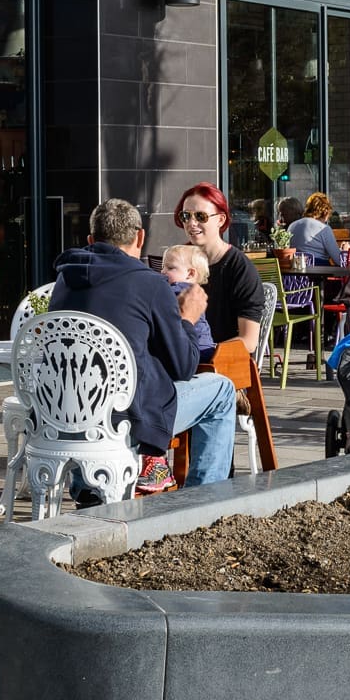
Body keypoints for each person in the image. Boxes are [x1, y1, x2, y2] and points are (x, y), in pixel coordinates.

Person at [51, 198, 236, 497]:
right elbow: (184, 366)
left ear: (90, 241)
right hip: (128, 417)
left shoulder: (64, 279)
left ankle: (89, 487)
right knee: (222, 391)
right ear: (140, 237)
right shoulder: (150, 285)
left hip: (68, 414)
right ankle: (202, 501)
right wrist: (187, 319)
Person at [176, 183, 265, 357]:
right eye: (186, 216)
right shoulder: (179, 259)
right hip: (183, 360)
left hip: (221, 366)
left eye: (200, 216)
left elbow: (249, 341)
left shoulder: (240, 268)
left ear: (221, 220)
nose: (191, 223)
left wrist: (204, 353)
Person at [159, 243, 216, 361]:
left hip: (195, 348)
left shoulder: (179, 290)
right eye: (163, 267)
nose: (163, 271)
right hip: (205, 346)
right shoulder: (195, 292)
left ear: (190, 273)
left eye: (170, 268)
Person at [288, 191, 344, 266]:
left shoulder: (292, 225)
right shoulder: (323, 229)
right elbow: (338, 260)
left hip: (296, 273)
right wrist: (345, 251)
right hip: (318, 271)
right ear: (325, 212)